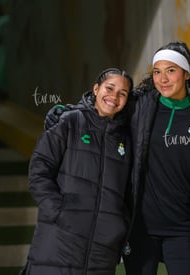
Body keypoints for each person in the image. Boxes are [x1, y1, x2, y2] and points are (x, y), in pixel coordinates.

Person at [45, 41, 190, 275]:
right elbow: (104, 107)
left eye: (171, 71)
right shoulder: (140, 106)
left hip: (184, 228)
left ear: (186, 73)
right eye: (158, 72)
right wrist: (66, 113)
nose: (163, 79)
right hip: (141, 228)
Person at [20, 68, 134, 275]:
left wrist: (118, 226)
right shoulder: (69, 122)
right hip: (60, 243)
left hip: (102, 251)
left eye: (123, 93)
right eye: (109, 88)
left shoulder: (125, 139)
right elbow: (39, 171)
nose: (114, 97)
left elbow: (127, 192)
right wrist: (59, 212)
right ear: (96, 89)